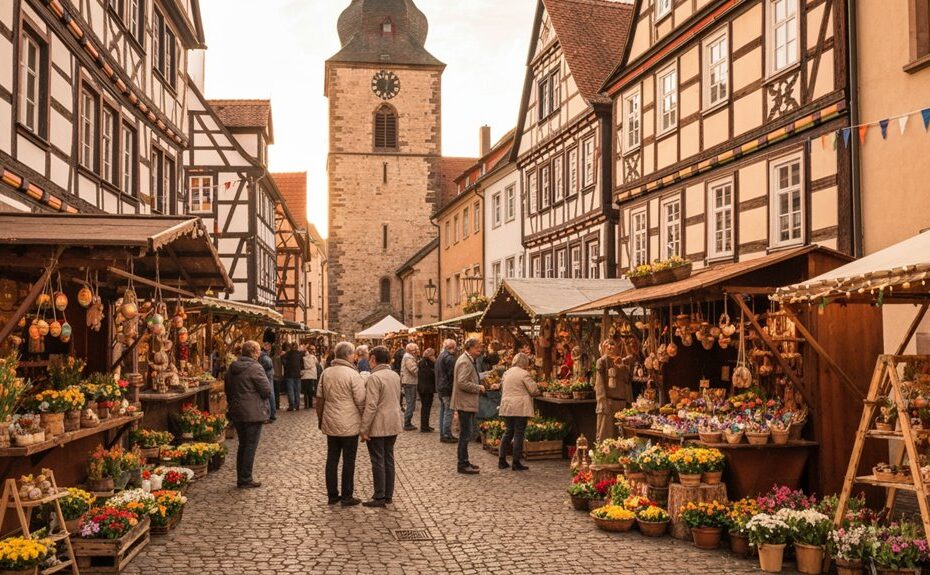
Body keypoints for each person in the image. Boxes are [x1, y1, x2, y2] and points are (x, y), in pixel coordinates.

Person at [316, 341, 366, 506]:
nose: (355, 357)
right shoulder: (353, 374)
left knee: (332, 459)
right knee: (349, 460)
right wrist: (365, 423)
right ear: (348, 355)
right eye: (353, 354)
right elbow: (360, 400)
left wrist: (321, 419)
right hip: (349, 423)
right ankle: (346, 496)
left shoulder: (326, 372)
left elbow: (320, 399)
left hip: (331, 421)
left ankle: (332, 495)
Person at [359, 346, 403, 508]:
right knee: (389, 458)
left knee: (378, 459)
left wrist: (364, 429)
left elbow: (371, 406)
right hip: (393, 421)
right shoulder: (394, 375)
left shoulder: (374, 378)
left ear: (373, 359)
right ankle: (388, 494)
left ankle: (379, 496)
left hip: (378, 423)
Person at [225, 341, 271, 488]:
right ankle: (245, 478)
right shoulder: (256, 368)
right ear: (254, 352)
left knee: (243, 445)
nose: (259, 354)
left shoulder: (232, 367)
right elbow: (266, 391)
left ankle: (242, 477)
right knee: (250, 446)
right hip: (253, 412)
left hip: (237, 411)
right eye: (258, 351)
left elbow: (228, 388)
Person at [498, 353, 538, 471]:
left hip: (507, 406)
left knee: (508, 432)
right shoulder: (524, 373)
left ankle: (502, 459)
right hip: (519, 407)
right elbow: (534, 390)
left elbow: (501, 388)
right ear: (524, 363)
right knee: (519, 433)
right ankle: (516, 461)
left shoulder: (506, 373)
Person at [451, 338, 485, 474]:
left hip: (465, 402)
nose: (480, 350)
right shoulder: (465, 361)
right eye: (477, 348)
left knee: (466, 434)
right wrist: (478, 388)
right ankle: (462, 464)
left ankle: (464, 461)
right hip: (465, 403)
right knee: (465, 434)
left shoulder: (466, 359)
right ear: (470, 348)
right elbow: (462, 383)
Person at [594, 339, 632, 442]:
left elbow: (627, 381)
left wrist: (622, 367)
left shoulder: (621, 363)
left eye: (613, 344)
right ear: (603, 348)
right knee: (605, 434)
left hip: (621, 403)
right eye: (607, 344)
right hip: (608, 403)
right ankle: (603, 457)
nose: (610, 347)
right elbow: (599, 384)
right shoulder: (601, 362)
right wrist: (602, 402)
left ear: (617, 347)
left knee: (621, 435)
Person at [435, 339, 457, 444]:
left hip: (440, 387)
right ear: (452, 347)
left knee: (443, 411)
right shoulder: (449, 358)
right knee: (448, 411)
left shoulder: (440, 356)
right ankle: (447, 434)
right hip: (447, 388)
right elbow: (452, 374)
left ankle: (443, 433)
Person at [400, 343, 419, 431]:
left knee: (411, 402)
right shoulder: (408, 357)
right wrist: (420, 368)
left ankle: (408, 422)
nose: (416, 351)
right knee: (410, 403)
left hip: (410, 381)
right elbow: (413, 370)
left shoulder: (409, 357)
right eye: (414, 350)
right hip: (410, 382)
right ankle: (407, 423)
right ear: (410, 350)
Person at [417, 348, 436, 433]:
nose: (434, 356)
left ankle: (425, 425)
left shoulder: (423, 362)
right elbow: (428, 374)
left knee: (426, 408)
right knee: (426, 407)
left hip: (424, 387)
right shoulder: (425, 362)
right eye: (433, 355)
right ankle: (424, 426)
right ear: (430, 355)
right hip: (426, 388)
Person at [260, 342, 277, 422]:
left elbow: (268, 363)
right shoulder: (265, 355)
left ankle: (271, 414)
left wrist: (261, 368)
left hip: (267, 375)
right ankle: (272, 414)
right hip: (269, 375)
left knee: (269, 394)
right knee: (271, 393)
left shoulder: (263, 356)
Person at [301, 344, 320, 409]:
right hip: (312, 375)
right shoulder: (314, 358)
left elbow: (302, 366)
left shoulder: (303, 358)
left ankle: (306, 405)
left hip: (305, 375)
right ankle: (311, 404)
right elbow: (317, 364)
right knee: (311, 390)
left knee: (305, 391)